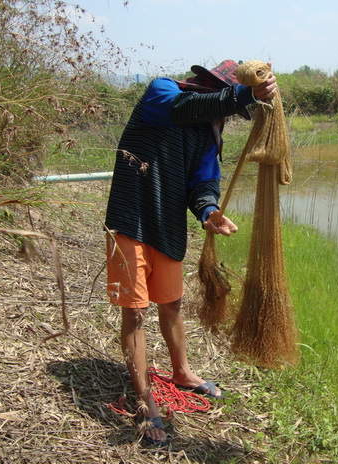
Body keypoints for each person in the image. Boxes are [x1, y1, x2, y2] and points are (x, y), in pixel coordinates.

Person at [104, 59, 277, 445]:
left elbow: (203, 184)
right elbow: (186, 109)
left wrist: (209, 212)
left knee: (172, 304)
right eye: (225, 100)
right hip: (131, 217)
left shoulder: (209, 135)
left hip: (166, 226)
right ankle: (145, 400)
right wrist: (242, 95)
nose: (227, 113)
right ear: (206, 84)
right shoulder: (164, 91)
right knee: (135, 312)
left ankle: (181, 372)